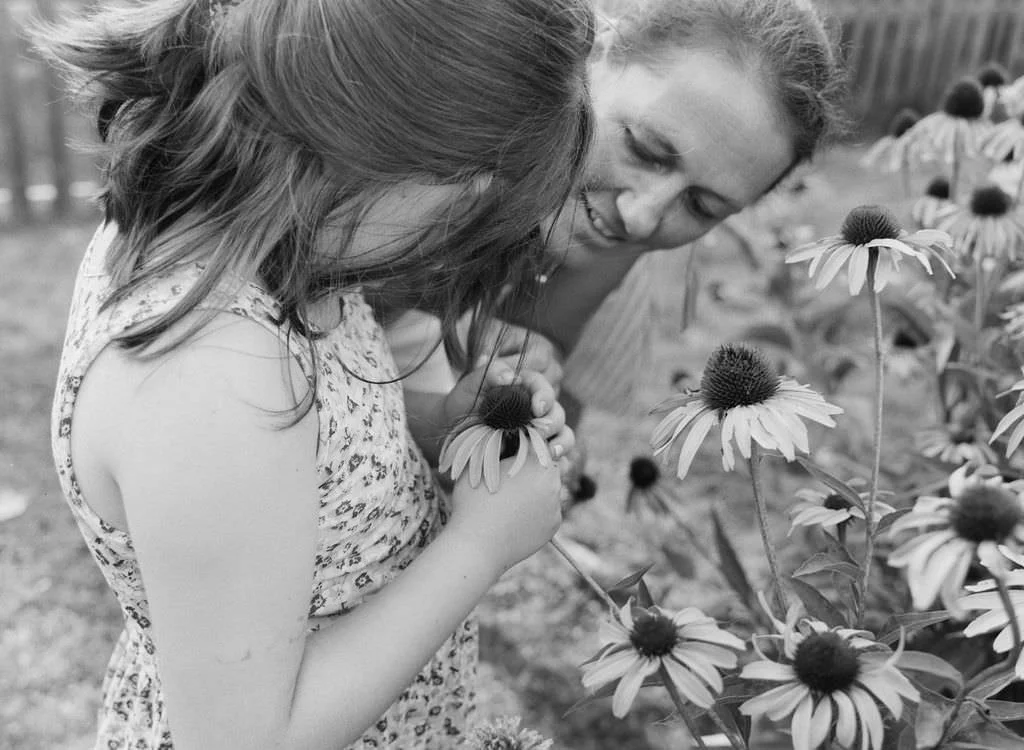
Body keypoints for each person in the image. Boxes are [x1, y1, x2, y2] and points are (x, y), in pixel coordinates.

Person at [40, 0, 593, 747]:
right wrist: (478, 547)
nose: (468, 215)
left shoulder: (281, 246)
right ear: (373, 141)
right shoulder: (208, 374)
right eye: (475, 184)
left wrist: (432, 428)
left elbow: (299, 466)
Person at [389, 0, 847, 494]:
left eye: (701, 207)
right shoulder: (427, 153)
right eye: (645, 150)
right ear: (598, 54)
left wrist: (532, 436)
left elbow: (523, 400)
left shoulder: (612, 245)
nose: (642, 215)